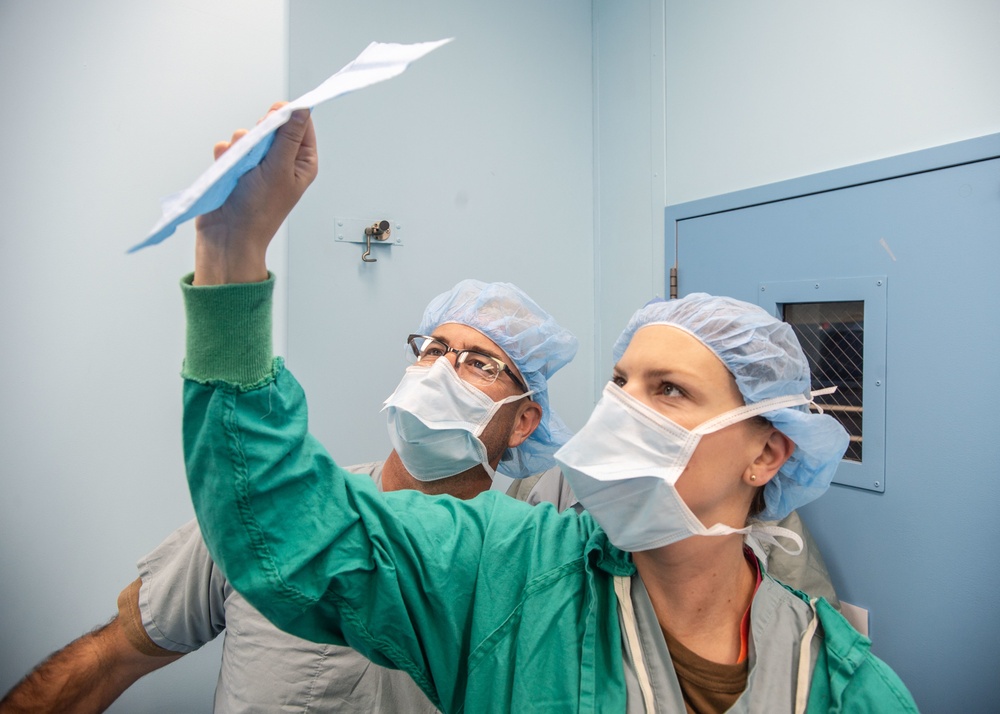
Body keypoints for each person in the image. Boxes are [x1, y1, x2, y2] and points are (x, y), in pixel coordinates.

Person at [169, 106, 916, 712]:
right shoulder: (506, 565)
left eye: (669, 391)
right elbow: (284, 530)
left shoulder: (836, 679)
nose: (624, 410)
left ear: (766, 454)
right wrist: (233, 255)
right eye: (619, 383)